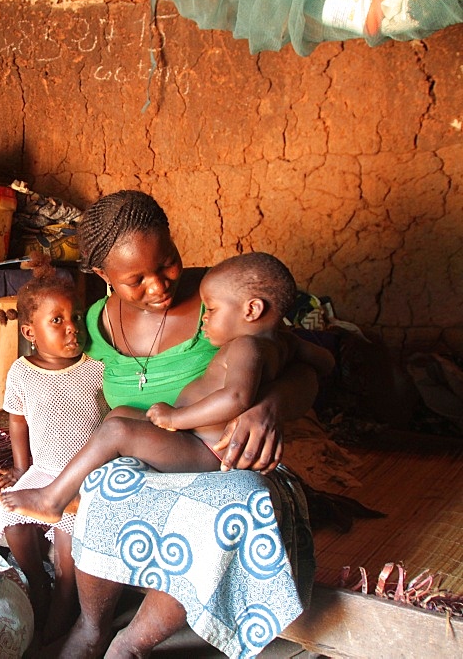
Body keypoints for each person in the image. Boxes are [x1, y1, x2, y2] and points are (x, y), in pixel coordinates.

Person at [31, 190, 323, 659]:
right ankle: (91, 626)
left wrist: (268, 406)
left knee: (229, 505)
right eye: (135, 279)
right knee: (103, 482)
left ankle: (133, 642)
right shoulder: (95, 323)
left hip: (225, 460)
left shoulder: (222, 297)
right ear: (103, 276)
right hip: (152, 460)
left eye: (167, 262)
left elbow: (308, 364)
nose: (159, 286)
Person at [0, 251, 334, 525]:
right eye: (135, 278)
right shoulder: (279, 343)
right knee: (122, 414)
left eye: (212, 311)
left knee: (116, 430)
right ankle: (75, 490)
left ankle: (52, 498)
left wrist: (176, 417)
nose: (205, 318)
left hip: (207, 450)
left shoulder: (246, 347)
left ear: (251, 309)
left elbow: (235, 398)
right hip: (193, 437)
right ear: (105, 276)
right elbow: (325, 359)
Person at [0, 254, 108, 645]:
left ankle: (65, 598)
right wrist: (22, 473)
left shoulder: (96, 368)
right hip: (43, 469)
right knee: (10, 513)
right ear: (29, 331)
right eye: (57, 321)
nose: (72, 329)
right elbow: (17, 422)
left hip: (85, 475)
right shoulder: (22, 371)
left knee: (72, 529)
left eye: (75, 318)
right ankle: (36, 582)